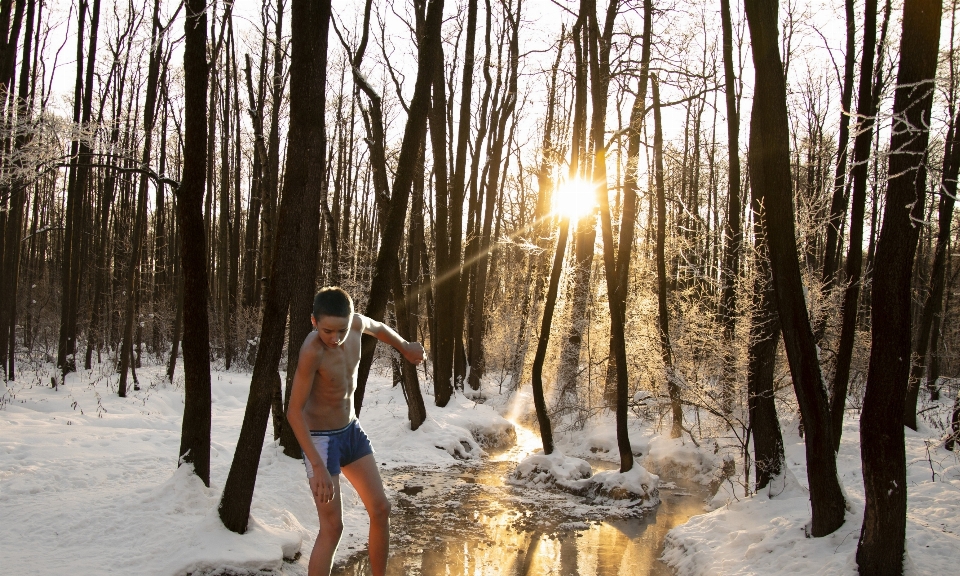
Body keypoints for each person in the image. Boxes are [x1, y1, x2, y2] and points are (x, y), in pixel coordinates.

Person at [287, 286, 425, 576]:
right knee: (333, 528)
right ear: (314, 322)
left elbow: (378, 327)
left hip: (351, 431)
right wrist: (317, 465)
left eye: (342, 330)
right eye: (327, 331)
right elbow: (294, 412)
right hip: (321, 442)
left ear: (351, 320)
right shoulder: (312, 352)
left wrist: (405, 346)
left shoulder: (357, 324)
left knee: (381, 509)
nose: (335, 338)